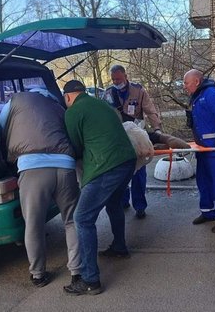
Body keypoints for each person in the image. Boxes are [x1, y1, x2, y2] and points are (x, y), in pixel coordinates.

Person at [0, 88, 81, 288]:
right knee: (71, 220)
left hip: (32, 168)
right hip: (65, 166)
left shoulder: (15, 101)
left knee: (34, 224)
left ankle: (38, 274)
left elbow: (0, 128)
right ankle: (77, 271)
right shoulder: (59, 107)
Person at [62, 80, 136, 296]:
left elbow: (76, 146)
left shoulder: (74, 111)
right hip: (127, 160)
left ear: (68, 97)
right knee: (114, 203)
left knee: (83, 218)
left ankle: (90, 280)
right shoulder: (101, 103)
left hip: (106, 165)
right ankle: (120, 247)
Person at [104, 64, 162, 220]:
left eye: (118, 78)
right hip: (118, 138)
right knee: (121, 172)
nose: (116, 81)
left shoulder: (138, 91)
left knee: (138, 173)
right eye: (113, 79)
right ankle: (123, 201)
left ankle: (140, 206)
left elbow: (150, 110)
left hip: (136, 136)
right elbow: (102, 115)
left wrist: (157, 129)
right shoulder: (108, 93)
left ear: (125, 76)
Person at [183, 69, 215, 233]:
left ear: (197, 81)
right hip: (203, 148)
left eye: (186, 83)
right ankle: (208, 212)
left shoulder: (211, 95)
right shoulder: (198, 97)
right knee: (203, 181)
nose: (184, 87)